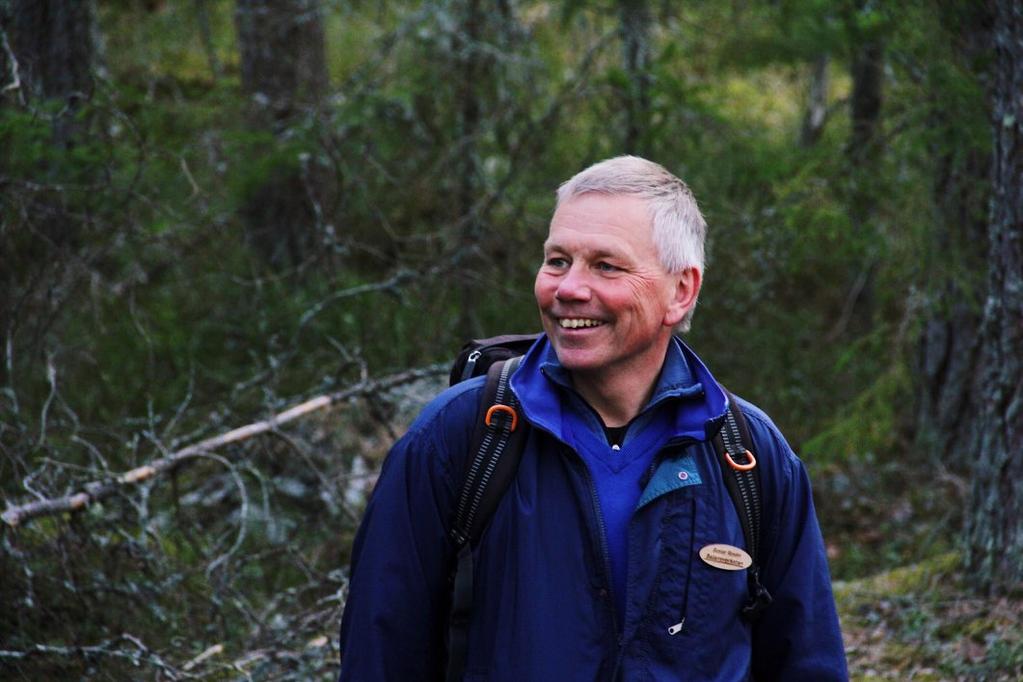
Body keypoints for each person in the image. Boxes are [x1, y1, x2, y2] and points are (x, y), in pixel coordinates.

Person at [338, 156, 848, 681]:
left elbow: (806, 663)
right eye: (558, 260)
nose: (569, 288)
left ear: (681, 291)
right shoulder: (461, 438)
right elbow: (380, 654)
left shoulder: (748, 457)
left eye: (606, 265)